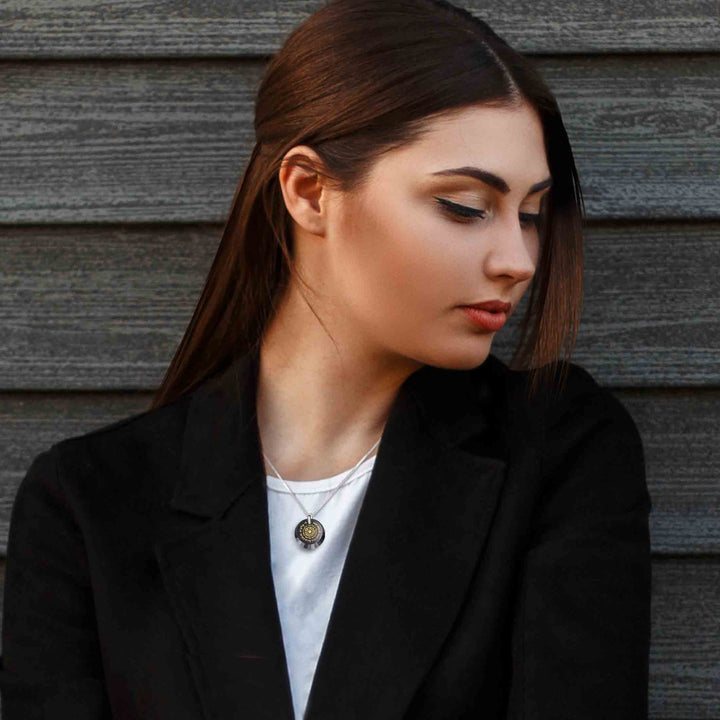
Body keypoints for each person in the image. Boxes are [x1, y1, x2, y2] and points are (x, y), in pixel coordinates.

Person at [0, 0, 652, 718]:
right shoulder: (89, 503)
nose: (519, 260)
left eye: (529, 214)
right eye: (466, 206)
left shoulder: (558, 450)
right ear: (309, 192)